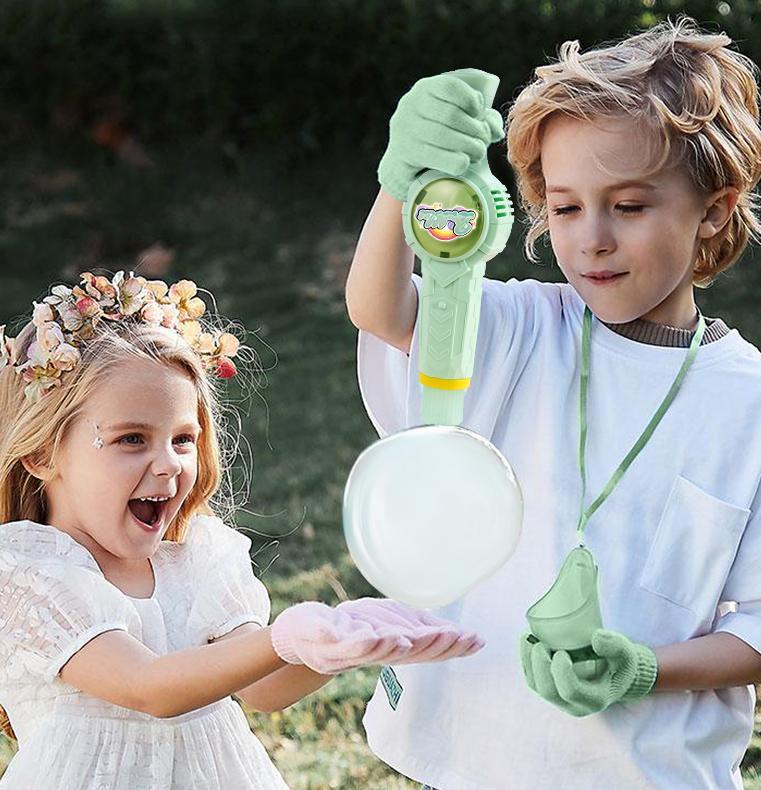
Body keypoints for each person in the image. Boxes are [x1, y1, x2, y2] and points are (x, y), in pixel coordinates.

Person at [345, 15, 761, 790]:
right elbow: (384, 310)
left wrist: (645, 670)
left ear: (714, 210)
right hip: (470, 751)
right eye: (566, 206)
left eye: (629, 205)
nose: (592, 240)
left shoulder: (754, 404)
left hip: (644, 773)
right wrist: (400, 181)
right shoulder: (524, 327)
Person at [0, 270, 484, 789]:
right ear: (43, 454)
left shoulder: (195, 558)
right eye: (132, 439)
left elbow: (265, 687)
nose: (167, 465)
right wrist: (285, 636)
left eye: (183, 439)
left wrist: (334, 641)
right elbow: (149, 688)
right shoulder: (30, 575)